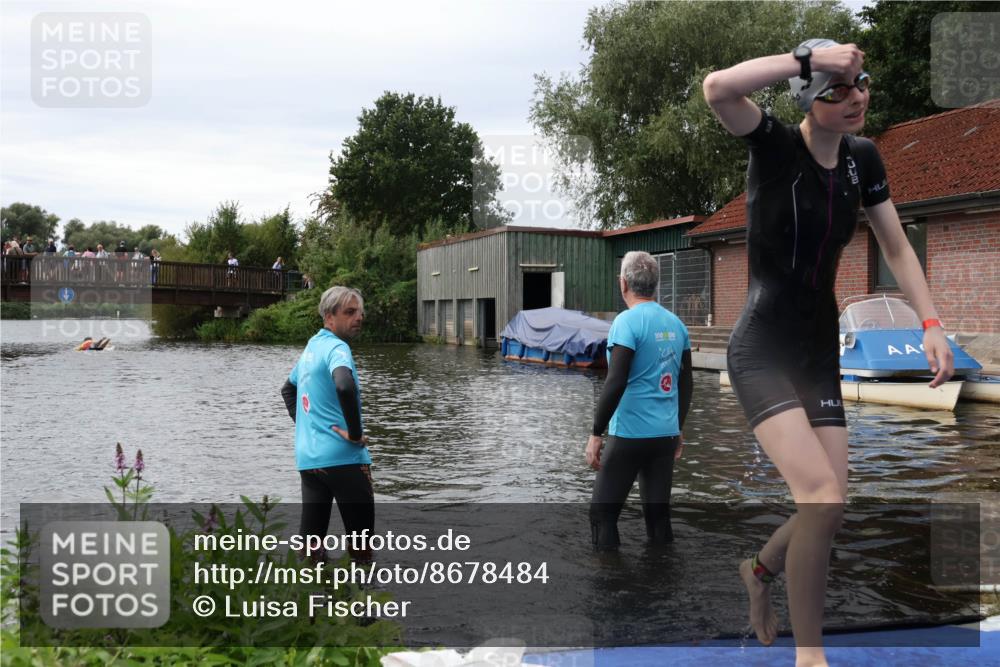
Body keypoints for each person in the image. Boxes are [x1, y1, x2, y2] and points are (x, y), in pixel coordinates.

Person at [703, 39, 954, 663]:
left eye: (859, 84)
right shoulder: (774, 146)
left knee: (830, 506)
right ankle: (809, 655)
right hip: (761, 347)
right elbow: (717, 88)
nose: (854, 98)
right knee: (818, 496)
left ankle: (759, 572)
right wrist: (809, 63)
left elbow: (896, 247)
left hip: (817, 350)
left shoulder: (863, 160)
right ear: (808, 101)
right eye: (836, 90)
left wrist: (930, 321)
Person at [586, 251, 693, 551]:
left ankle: (608, 583)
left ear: (623, 284)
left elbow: (616, 380)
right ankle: (662, 583)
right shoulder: (677, 325)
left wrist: (596, 433)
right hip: (665, 437)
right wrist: (678, 428)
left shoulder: (626, 323)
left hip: (630, 436)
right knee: (658, 518)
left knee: (602, 515)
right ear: (655, 285)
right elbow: (686, 384)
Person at [280, 286, 371, 562]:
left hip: (310, 461)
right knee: (361, 551)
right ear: (329, 317)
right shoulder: (336, 347)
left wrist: (308, 428)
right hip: (344, 459)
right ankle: (361, 601)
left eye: (360, 312)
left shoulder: (312, 347)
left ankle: (314, 600)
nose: (359, 317)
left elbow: (288, 389)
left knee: (311, 550)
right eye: (350, 312)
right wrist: (354, 434)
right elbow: (344, 386)